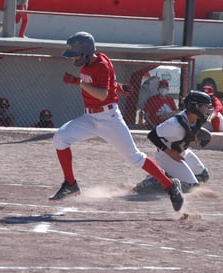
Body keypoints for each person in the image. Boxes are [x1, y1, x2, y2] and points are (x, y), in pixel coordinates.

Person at [49, 31, 183, 211]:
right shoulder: (95, 61)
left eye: (76, 55)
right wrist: (118, 87)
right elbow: (105, 83)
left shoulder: (101, 64)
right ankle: (71, 184)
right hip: (90, 117)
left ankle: (170, 186)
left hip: (109, 119)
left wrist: (76, 82)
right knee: (60, 138)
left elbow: (102, 94)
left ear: (87, 53)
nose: (72, 59)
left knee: (135, 157)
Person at [144, 91, 213, 193]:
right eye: (205, 107)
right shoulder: (175, 124)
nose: (208, 110)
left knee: (203, 175)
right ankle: (154, 181)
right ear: (195, 106)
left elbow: (189, 131)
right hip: (167, 156)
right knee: (191, 187)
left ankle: (169, 174)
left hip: (181, 152)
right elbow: (152, 135)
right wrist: (170, 153)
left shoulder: (196, 118)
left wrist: (193, 137)